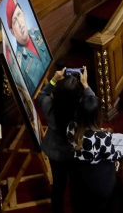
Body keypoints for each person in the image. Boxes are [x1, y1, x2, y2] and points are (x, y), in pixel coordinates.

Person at [38, 68, 89, 213]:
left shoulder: (49, 105)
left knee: (58, 186)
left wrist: (54, 79)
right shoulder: (82, 109)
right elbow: (94, 102)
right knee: (76, 185)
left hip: (56, 154)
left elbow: (42, 94)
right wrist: (85, 85)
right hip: (75, 152)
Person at [68, 94, 119, 210]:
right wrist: (117, 158)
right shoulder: (102, 137)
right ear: (98, 115)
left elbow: (84, 135)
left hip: (78, 178)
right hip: (97, 183)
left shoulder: (71, 127)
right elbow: (112, 156)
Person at [6, 0, 52, 93]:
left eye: (19, 15)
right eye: (14, 21)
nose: (20, 23)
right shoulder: (19, 66)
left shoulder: (37, 33)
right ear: (12, 32)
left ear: (23, 14)